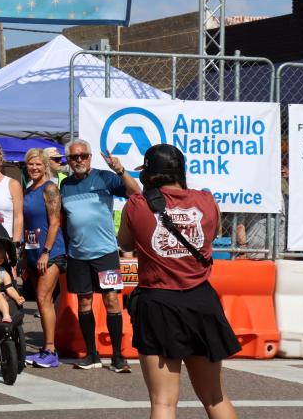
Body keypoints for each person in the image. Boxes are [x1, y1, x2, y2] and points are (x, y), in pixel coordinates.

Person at [118, 144, 240, 419]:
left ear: (149, 175)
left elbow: (124, 243)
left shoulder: (137, 205)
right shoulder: (208, 201)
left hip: (158, 301)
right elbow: (213, 234)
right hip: (200, 300)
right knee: (214, 397)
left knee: (163, 402)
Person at [59, 138, 139, 373]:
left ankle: (117, 356)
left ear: (90, 157)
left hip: (105, 253)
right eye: (74, 157)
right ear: (69, 161)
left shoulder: (105, 177)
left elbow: (136, 193)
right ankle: (91, 354)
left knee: (111, 300)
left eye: (83, 155)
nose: (79, 160)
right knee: (84, 302)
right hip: (78, 254)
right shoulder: (65, 186)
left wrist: (121, 170)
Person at [22, 148, 67, 368]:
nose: (34, 168)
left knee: (43, 298)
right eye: (31, 164)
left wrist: (46, 251)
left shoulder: (50, 189)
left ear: (46, 165)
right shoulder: (28, 189)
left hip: (50, 252)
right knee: (42, 302)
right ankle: (46, 348)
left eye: (38, 164)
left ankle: (51, 349)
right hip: (31, 252)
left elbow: (55, 222)